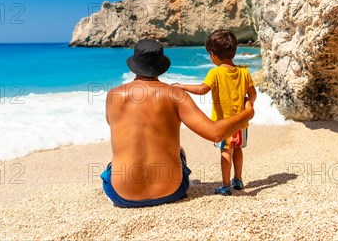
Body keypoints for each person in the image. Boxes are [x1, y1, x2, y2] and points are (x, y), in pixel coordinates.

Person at [101, 39, 254, 208]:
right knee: (179, 151)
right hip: (172, 192)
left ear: (134, 65)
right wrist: (247, 113)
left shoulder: (113, 96)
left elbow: (114, 126)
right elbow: (215, 133)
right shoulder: (176, 95)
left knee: (114, 164)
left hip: (122, 196)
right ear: (161, 66)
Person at [173, 30, 257, 195]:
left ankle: (226, 185)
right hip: (241, 123)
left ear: (213, 55)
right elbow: (253, 95)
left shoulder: (215, 73)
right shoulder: (244, 71)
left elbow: (202, 89)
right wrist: (248, 103)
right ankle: (238, 180)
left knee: (226, 151)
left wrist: (182, 86)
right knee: (238, 149)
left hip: (224, 124)